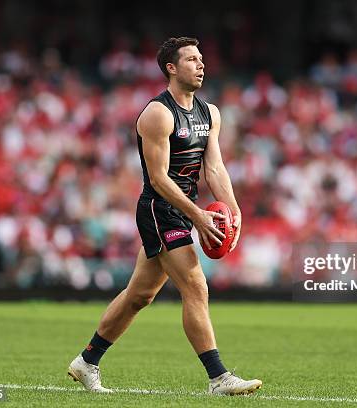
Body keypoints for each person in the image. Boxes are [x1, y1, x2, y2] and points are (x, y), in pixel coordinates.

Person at [67, 37, 262, 396]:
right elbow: (158, 179)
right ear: (171, 68)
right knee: (196, 287)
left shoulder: (210, 113)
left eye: (201, 58)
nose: (200, 64)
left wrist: (233, 209)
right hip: (159, 209)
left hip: (185, 210)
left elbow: (215, 168)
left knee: (139, 295)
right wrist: (199, 216)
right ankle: (219, 377)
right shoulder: (158, 113)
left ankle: (87, 361)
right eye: (191, 59)